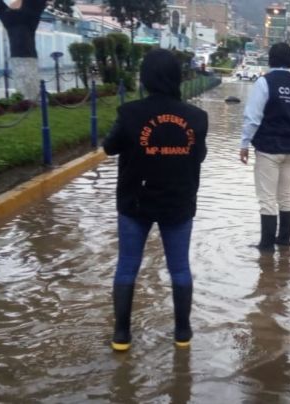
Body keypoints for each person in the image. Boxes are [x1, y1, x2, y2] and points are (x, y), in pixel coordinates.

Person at [103, 49, 208, 351]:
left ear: (145, 77)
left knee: (127, 267)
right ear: (177, 77)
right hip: (178, 203)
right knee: (179, 268)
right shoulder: (197, 118)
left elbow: (109, 148)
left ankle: (121, 336)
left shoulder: (129, 113)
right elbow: (198, 156)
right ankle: (182, 334)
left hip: (136, 202)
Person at [239, 43, 290, 252]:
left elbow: (253, 117)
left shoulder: (265, 82)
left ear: (271, 60)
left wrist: (244, 143)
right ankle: (284, 241)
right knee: (285, 195)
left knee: (267, 198)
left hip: (268, 149)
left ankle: (266, 247)